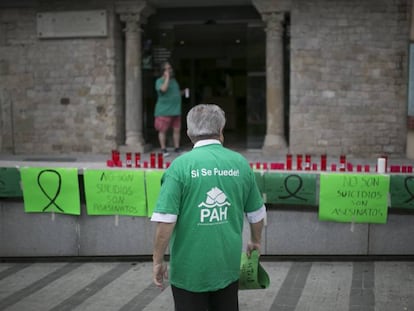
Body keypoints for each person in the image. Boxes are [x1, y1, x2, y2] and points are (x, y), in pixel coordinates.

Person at [151, 104, 266, 311]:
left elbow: (165, 223)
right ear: (221, 131)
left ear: (188, 133)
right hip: (227, 268)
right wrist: (255, 241)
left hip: (188, 273)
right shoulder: (239, 163)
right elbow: (257, 213)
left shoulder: (179, 167)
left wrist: (157, 260)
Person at [154, 61, 184, 157]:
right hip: (164, 111)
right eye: (167, 68)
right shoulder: (159, 81)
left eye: (170, 68)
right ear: (163, 71)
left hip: (175, 110)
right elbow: (163, 89)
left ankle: (177, 147)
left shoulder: (174, 81)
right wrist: (166, 78)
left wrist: (182, 92)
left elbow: (175, 93)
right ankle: (163, 149)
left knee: (177, 130)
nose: (170, 70)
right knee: (163, 130)